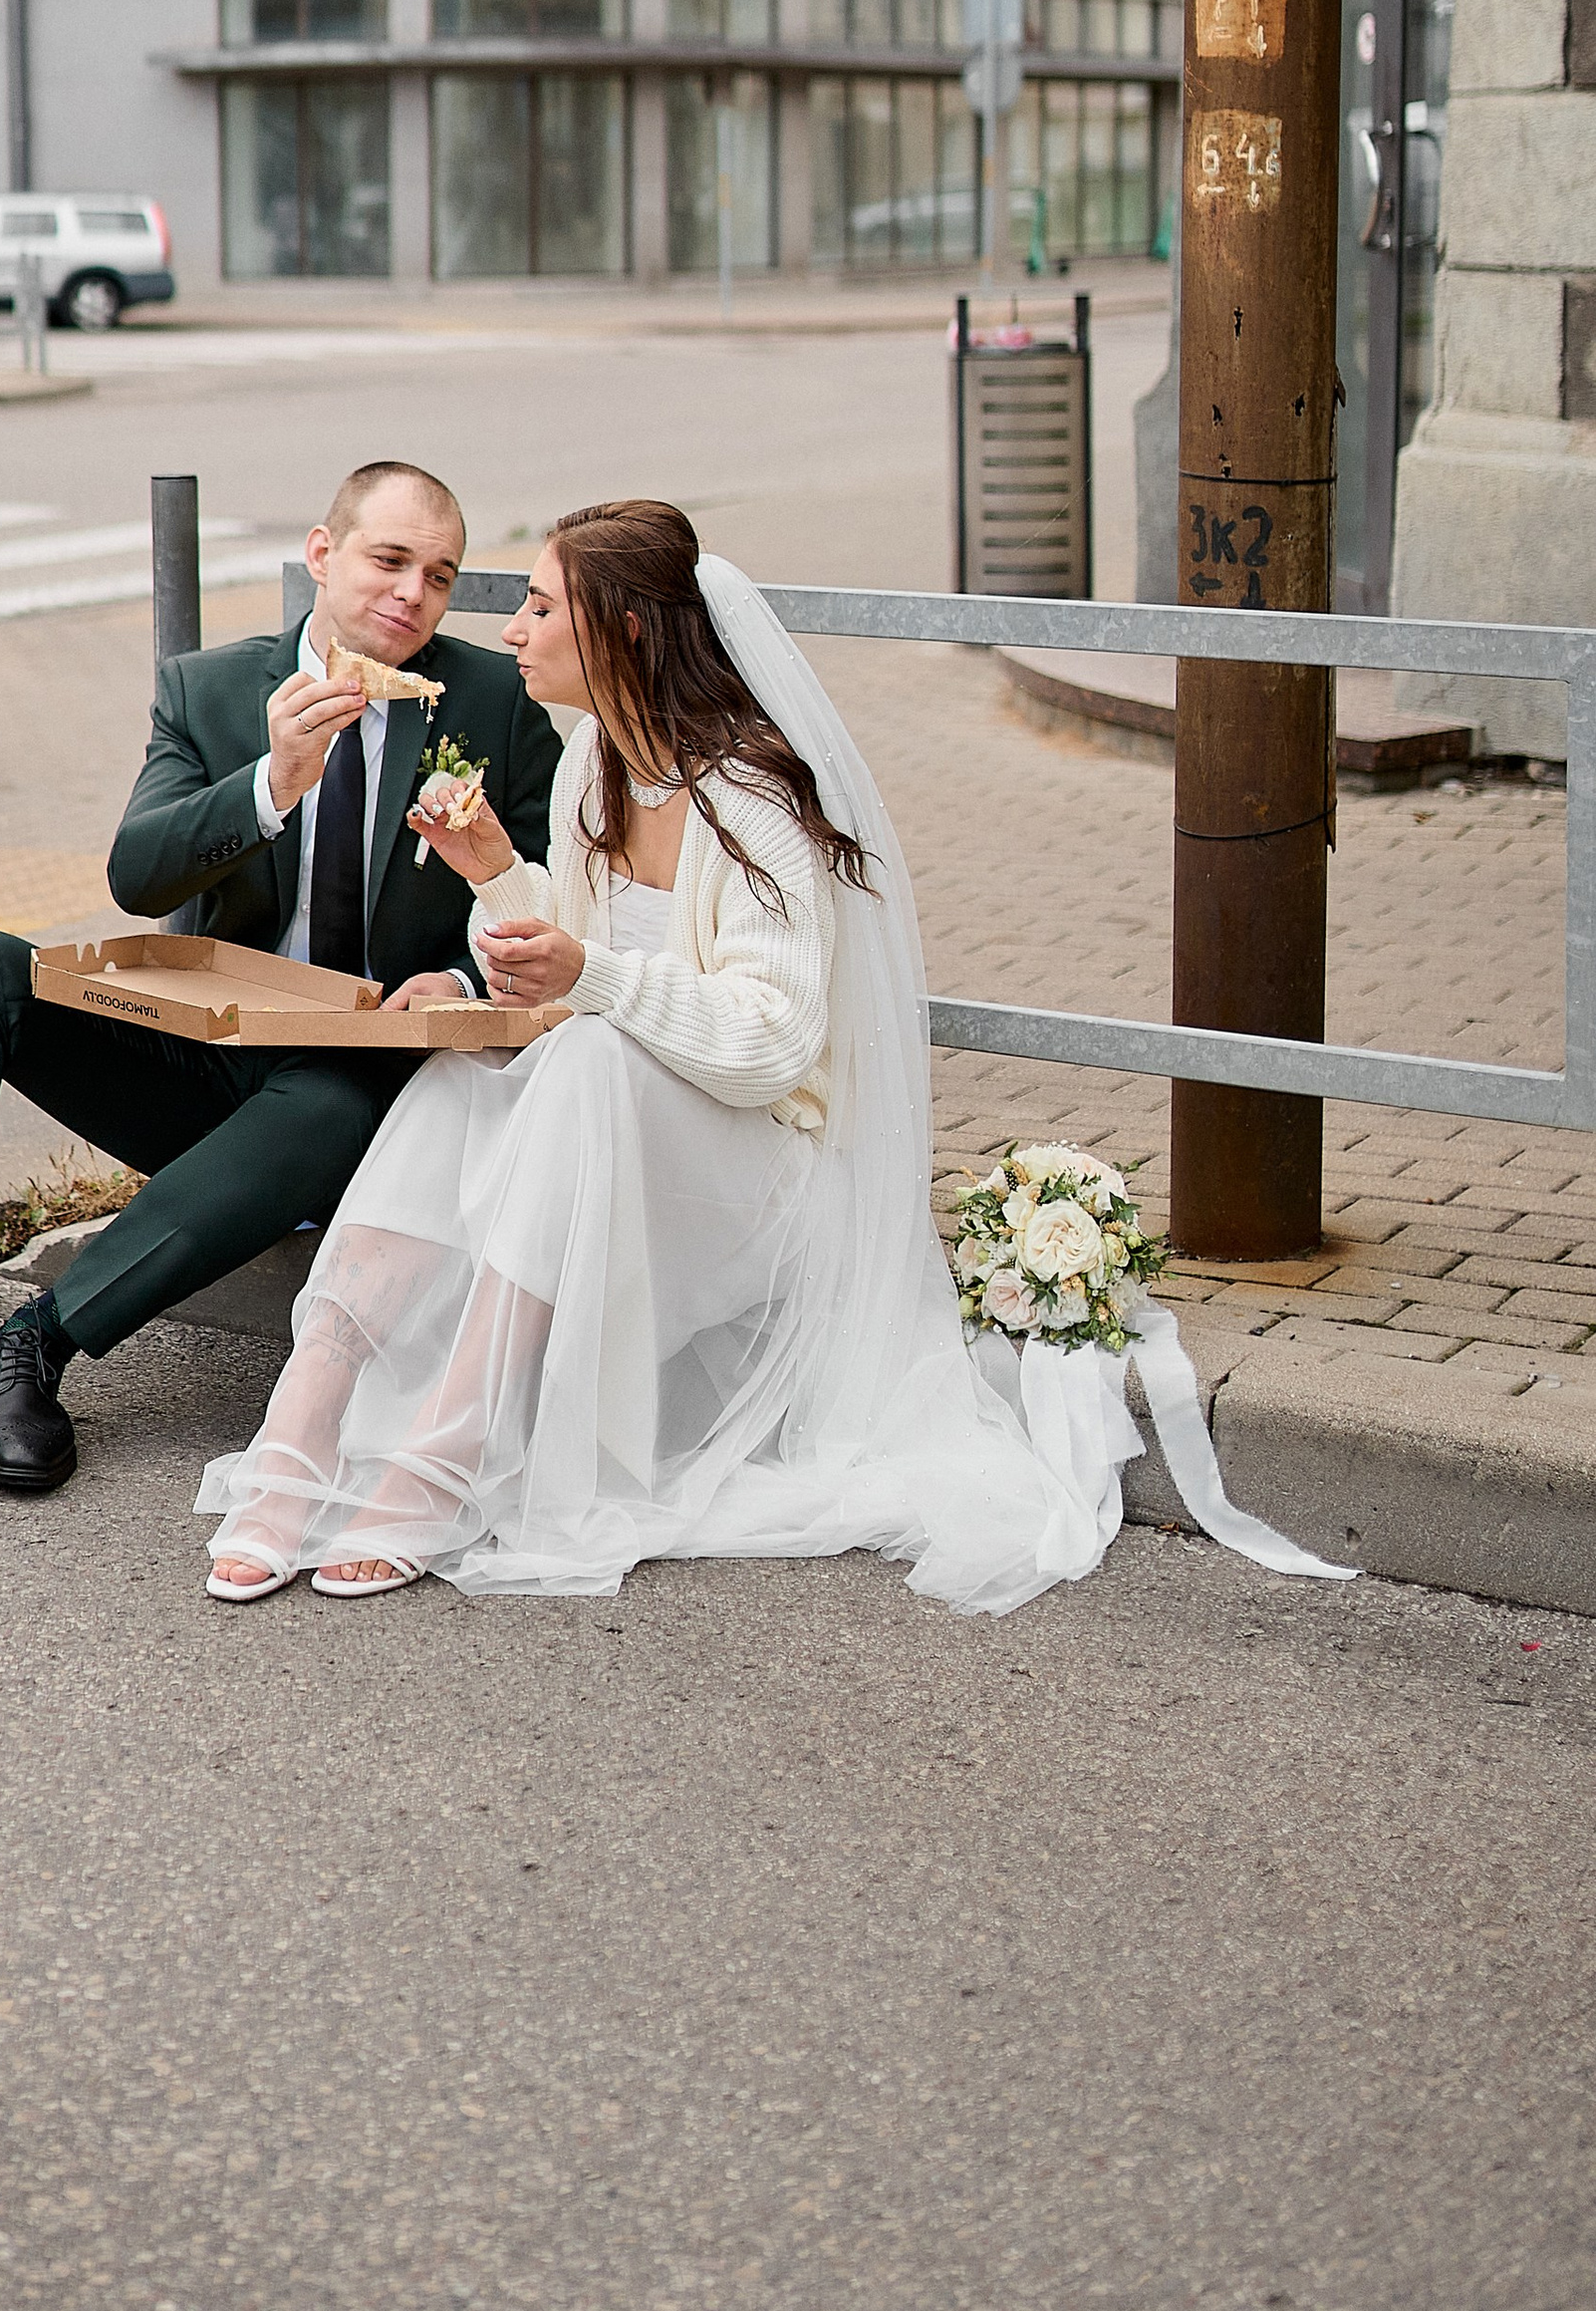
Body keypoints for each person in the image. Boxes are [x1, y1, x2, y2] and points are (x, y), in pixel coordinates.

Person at [200, 497, 1113, 1615]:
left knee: (590, 1061)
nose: (512, 630)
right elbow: (576, 958)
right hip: (619, 1135)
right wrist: (494, 874)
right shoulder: (594, 762)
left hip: (758, 1176)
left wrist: (584, 974)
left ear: (625, 631)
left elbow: (769, 1043)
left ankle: (445, 1457)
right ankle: (301, 1426)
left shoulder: (754, 798)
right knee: (455, 1072)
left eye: (542, 607)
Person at [0, 460, 560, 1512]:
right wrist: (270, 784)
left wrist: (465, 972)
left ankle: (39, 1339)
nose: (411, 593)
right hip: (210, 1059)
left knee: (333, 1102)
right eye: (389, 560)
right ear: (321, 552)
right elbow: (138, 873)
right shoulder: (210, 690)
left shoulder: (495, 704)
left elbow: (548, 890)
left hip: (356, 1093)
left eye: (438, 575)